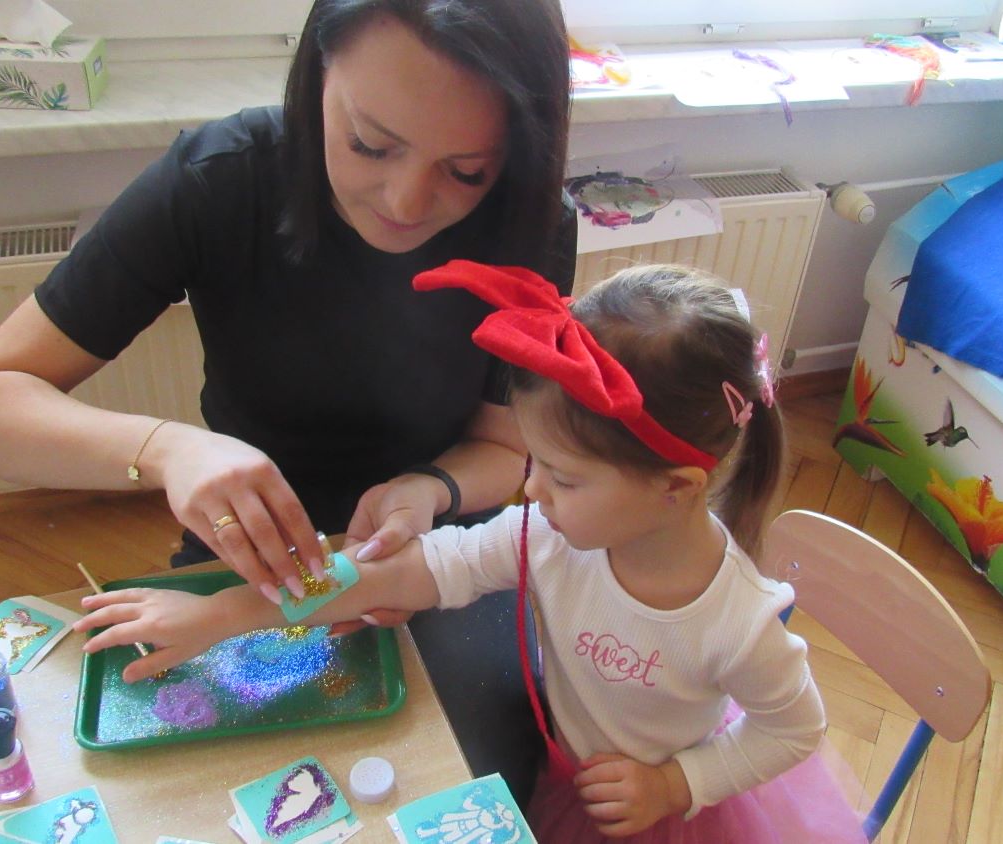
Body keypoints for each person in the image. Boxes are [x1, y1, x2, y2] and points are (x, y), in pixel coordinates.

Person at [0, 0, 574, 802]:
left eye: (465, 171)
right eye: (371, 144)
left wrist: (430, 488)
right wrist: (170, 450)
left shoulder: (531, 223)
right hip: (251, 555)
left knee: (480, 781)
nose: (407, 202)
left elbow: (506, 446)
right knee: (200, 787)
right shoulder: (221, 179)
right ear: (316, 71)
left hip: (442, 555)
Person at [76, 262, 865, 841]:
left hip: (665, 814)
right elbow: (404, 570)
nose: (529, 489)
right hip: (567, 773)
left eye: (561, 476)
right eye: (535, 464)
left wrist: (677, 784)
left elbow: (793, 731)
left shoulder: (740, 625)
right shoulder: (548, 535)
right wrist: (221, 614)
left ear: (676, 488)